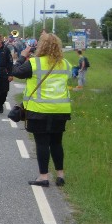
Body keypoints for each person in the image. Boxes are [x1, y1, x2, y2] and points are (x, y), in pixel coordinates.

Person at [13, 33, 73, 187]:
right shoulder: (66, 64)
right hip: (61, 109)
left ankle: (43, 177)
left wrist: (22, 56)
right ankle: (60, 175)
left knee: (42, 143)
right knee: (56, 142)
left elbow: (16, 71)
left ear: (41, 46)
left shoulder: (34, 63)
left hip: (39, 110)